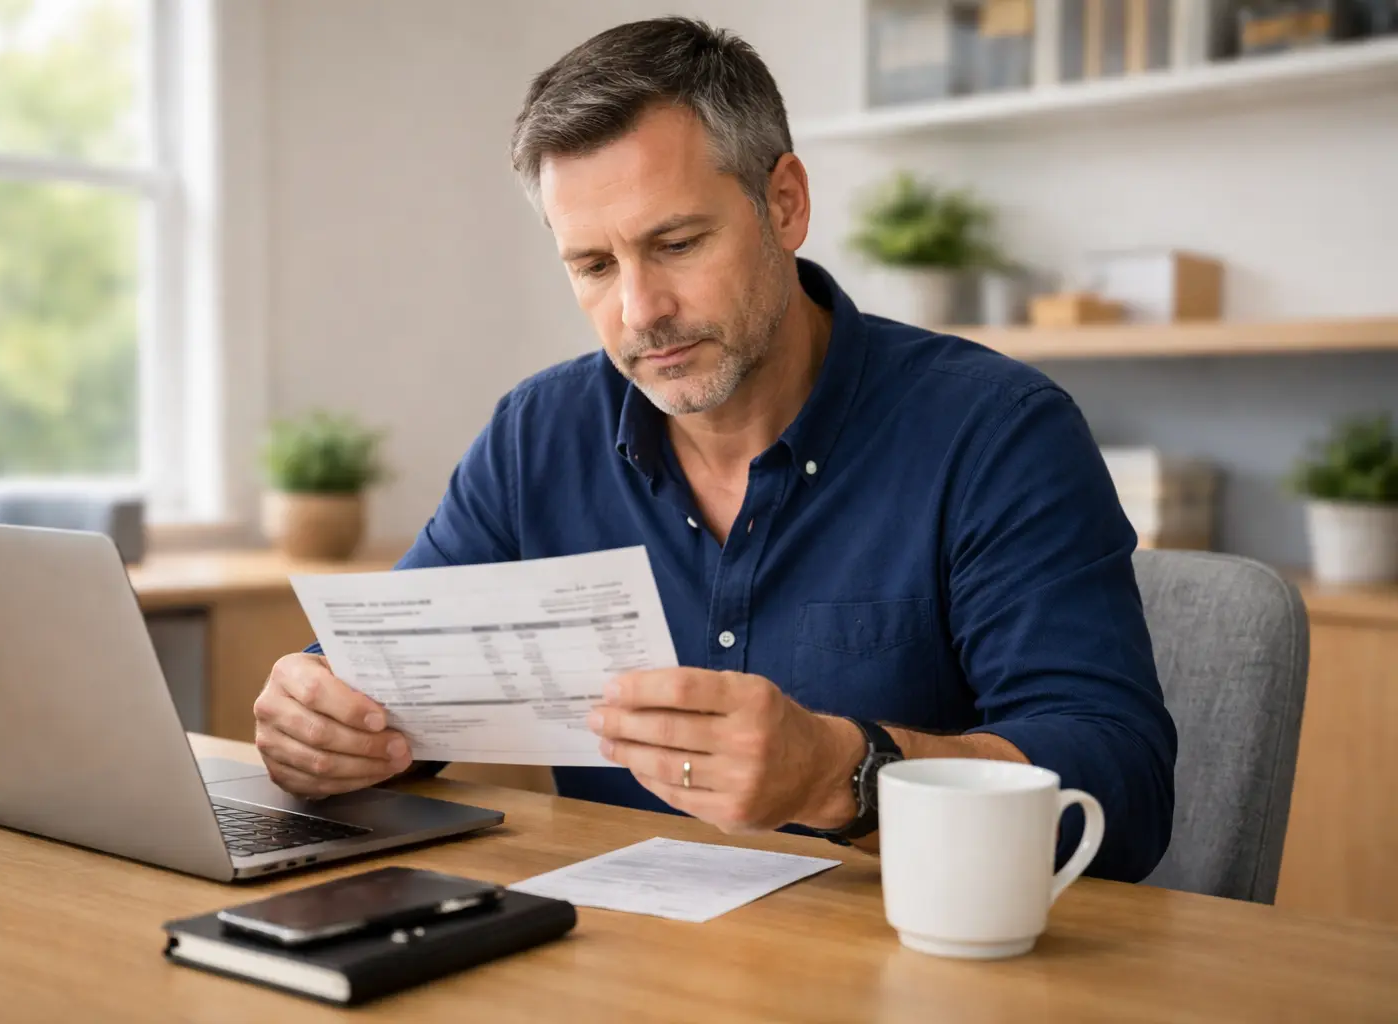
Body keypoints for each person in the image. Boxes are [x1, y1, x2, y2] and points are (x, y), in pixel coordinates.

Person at [252, 17, 1176, 879]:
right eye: (595, 266)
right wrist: (324, 718)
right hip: (616, 969)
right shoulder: (536, 438)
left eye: (679, 243)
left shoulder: (996, 432)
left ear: (784, 203)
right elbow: (396, 691)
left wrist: (841, 774)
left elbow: (1122, 789)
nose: (639, 311)